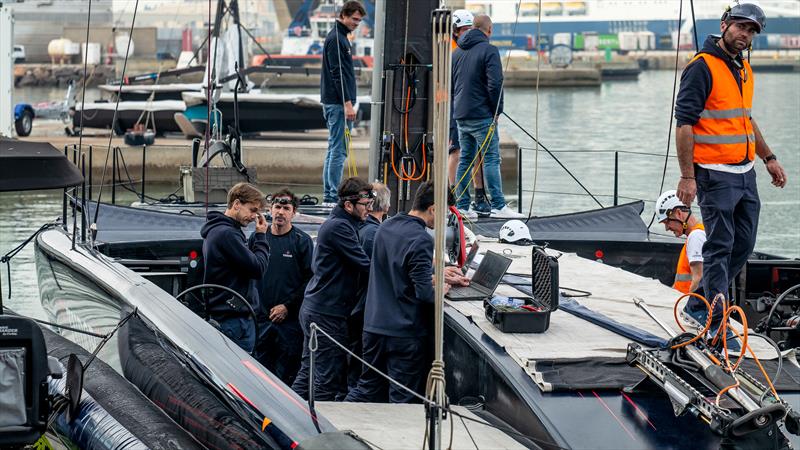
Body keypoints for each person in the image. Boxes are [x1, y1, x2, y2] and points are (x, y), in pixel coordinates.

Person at [674, 0, 787, 308]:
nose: (745, 35)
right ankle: (714, 320)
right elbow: (684, 124)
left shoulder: (743, 68)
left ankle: (698, 305)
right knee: (720, 246)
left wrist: (768, 157)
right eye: (740, 26)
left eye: (751, 31)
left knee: (744, 244)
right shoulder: (702, 67)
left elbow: (745, 119)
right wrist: (687, 176)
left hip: (744, 173)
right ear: (724, 25)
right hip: (713, 173)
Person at [346, 181, 469, 403]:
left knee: (367, 389)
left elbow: (394, 271)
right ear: (433, 209)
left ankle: (334, 424)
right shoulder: (421, 239)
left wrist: (434, 275)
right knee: (402, 398)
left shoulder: (386, 226)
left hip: (373, 326)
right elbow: (424, 294)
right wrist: (442, 288)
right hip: (402, 334)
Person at [292, 177, 373, 401]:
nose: (369, 210)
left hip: (316, 308)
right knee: (327, 380)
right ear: (348, 205)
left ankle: (285, 418)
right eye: (366, 205)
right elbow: (365, 265)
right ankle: (318, 430)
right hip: (326, 313)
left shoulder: (341, 224)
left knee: (309, 371)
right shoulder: (340, 228)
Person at [452, 14, 524, 220]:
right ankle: (499, 206)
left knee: (465, 159)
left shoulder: (456, 54)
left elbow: (453, 86)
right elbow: (495, 84)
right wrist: (497, 111)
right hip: (482, 115)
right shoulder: (490, 50)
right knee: (491, 158)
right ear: (489, 30)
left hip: (461, 115)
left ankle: (463, 207)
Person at [249, 188, 313, 385]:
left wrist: (288, 306)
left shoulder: (302, 241)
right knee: (259, 375)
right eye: (277, 207)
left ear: (294, 213)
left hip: (289, 323)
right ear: (270, 209)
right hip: (261, 319)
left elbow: (310, 280)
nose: (280, 212)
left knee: (285, 377)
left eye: (286, 208)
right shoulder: (258, 238)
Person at [200, 182, 269, 353]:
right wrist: (261, 237)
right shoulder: (228, 234)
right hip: (234, 320)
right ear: (237, 204)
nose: (254, 217)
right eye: (252, 210)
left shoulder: (216, 230)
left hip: (225, 315)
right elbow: (258, 268)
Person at [320, 1, 367, 207]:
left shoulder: (339, 37)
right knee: (339, 150)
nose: (357, 23)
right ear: (344, 16)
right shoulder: (337, 40)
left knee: (335, 148)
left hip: (336, 102)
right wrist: (348, 104)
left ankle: (329, 193)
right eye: (354, 19)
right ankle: (331, 195)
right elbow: (338, 74)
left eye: (359, 20)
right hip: (338, 104)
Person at [348, 182, 391, 389]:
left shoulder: (359, 229)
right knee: (361, 376)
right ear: (386, 207)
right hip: (364, 311)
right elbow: (382, 273)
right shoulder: (375, 235)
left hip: (354, 306)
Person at [448, 9, 488, 219]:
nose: (466, 33)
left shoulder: (468, 48)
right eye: (463, 29)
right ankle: (454, 195)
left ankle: (478, 195)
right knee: (457, 152)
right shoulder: (452, 50)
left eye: (468, 28)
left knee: (476, 153)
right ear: (455, 31)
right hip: (455, 108)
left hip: (468, 107)